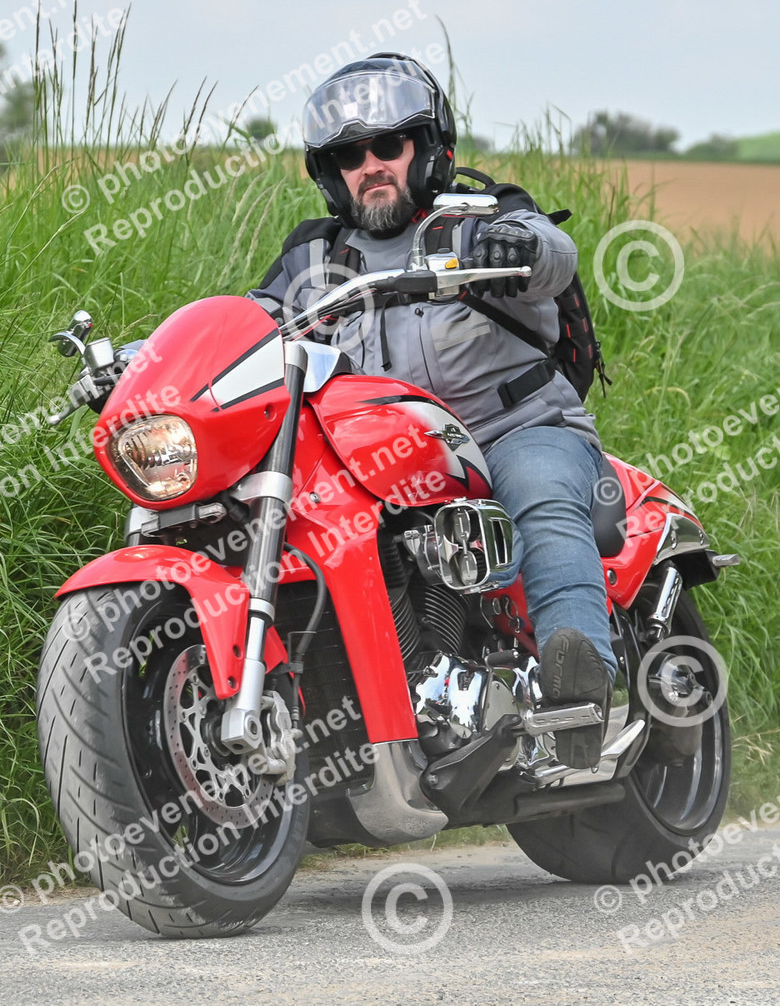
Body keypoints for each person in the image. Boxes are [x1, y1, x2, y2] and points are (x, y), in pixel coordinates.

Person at [246, 53, 614, 769]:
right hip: (383, 460)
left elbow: (554, 254)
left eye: (389, 144)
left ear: (428, 147)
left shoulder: (479, 219)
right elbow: (250, 323)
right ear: (330, 172)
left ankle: (580, 687)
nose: (371, 165)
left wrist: (522, 241)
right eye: (350, 155)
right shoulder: (312, 258)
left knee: (540, 494)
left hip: (510, 431)